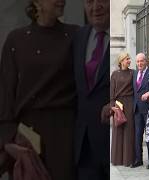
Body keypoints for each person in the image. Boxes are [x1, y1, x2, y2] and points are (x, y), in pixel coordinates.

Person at [0, 0, 78, 179]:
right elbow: (5, 91)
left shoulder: (74, 35)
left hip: (65, 133)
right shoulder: (16, 39)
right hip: (27, 137)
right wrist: (8, 138)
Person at [72, 0, 109, 179]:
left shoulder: (127, 33)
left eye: (102, 0)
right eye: (89, 1)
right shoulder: (78, 37)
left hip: (114, 142)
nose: (96, 7)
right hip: (85, 146)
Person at [131, 53, 149, 169]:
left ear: (146, 61)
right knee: (137, 135)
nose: (140, 63)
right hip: (136, 109)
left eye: (142, 61)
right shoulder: (135, 73)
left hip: (147, 109)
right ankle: (138, 159)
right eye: (137, 62)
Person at [109, 52, 135, 167]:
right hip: (118, 104)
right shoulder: (114, 74)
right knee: (118, 130)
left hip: (129, 103)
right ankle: (117, 159)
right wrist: (112, 104)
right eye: (126, 59)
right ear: (121, 61)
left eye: (129, 58)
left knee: (129, 131)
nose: (129, 60)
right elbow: (111, 90)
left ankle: (128, 159)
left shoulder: (133, 73)